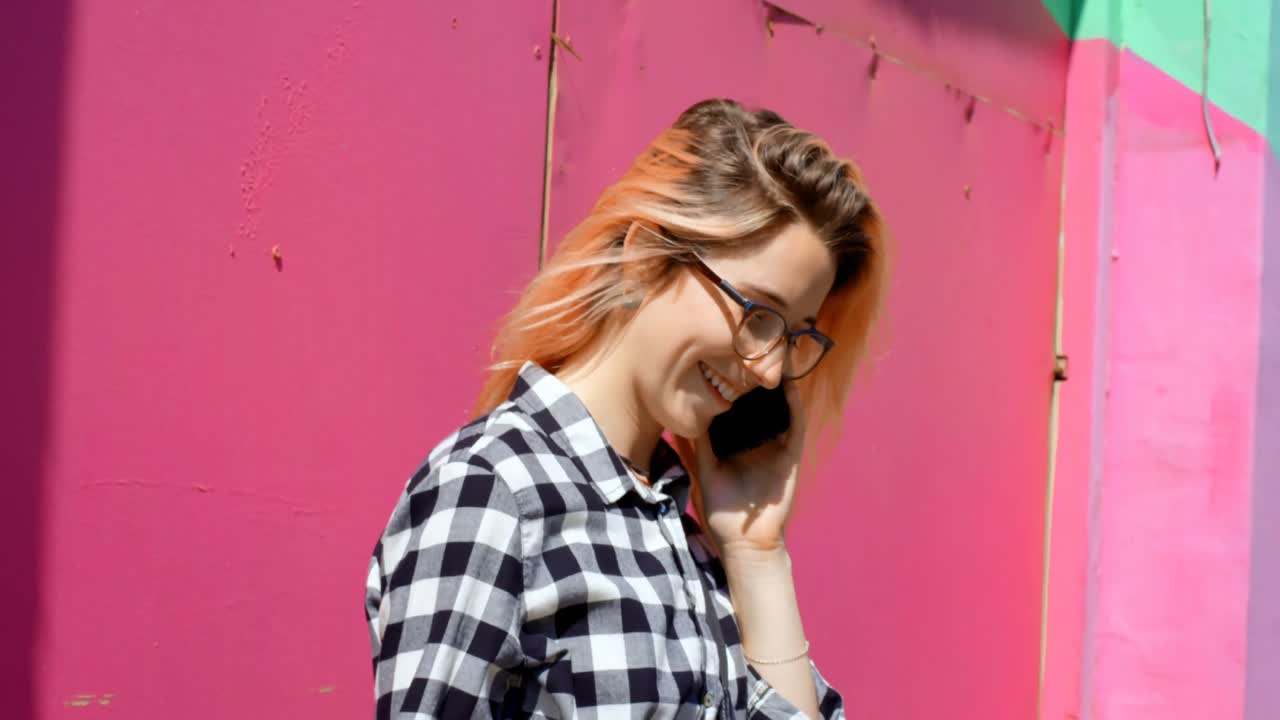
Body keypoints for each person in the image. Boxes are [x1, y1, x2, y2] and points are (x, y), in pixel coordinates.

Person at [365, 98, 889, 718]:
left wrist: (756, 553)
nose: (770, 370)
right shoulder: (492, 494)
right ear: (646, 258)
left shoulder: (684, 538)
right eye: (757, 315)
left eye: (794, 335)